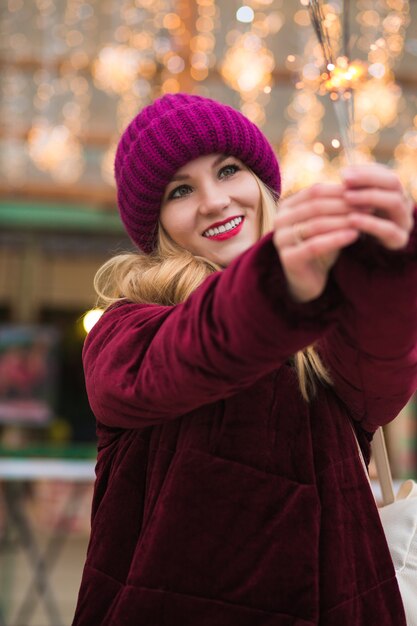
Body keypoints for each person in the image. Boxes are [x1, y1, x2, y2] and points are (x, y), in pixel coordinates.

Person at [72, 93, 417, 626]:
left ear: (260, 181)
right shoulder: (127, 328)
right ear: (156, 224)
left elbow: (383, 378)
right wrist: (278, 282)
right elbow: (197, 345)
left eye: (228, 170)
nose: (214, 201)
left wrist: (389, 265)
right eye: (180, 190)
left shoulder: (325, 322)